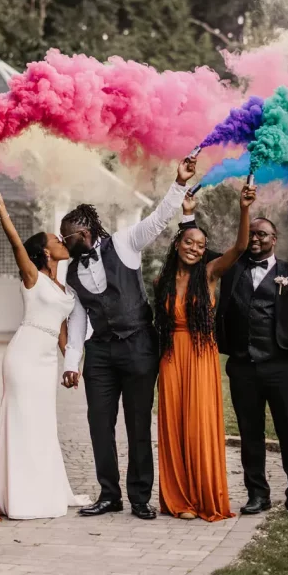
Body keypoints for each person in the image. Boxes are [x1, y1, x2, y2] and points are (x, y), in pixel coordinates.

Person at [61, 157, 196, 520]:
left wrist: (179, 183)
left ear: (85, 231)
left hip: (138, 346)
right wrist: (71, 363)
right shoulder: (71, 271)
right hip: (100, 353)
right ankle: (109, 495)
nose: (63, 242)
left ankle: (139, 497)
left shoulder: (125, 243)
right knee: (99, 424)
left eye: (67, 237)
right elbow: (77, 318)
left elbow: (158, 220)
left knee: (139, 424)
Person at [0, 188, 89, 519]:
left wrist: (70, 364)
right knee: (23, 422)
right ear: (45, 251)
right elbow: (17, 244)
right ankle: (20, 496)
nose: (62, 241)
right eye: (56, 239)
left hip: (46, 362)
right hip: (24, 356)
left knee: (43, 425)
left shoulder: (64, 287)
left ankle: (47, 488)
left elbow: (62, 329)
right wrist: (2, 209)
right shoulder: (33, 277)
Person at [153, 183, 256, 521]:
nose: (195, 249)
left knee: (198, 424)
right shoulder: (160, 282)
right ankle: (179, 498)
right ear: (178, 244)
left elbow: (241, 247)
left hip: (200, 355)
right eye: (189, 242)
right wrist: (186, 213)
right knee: (174, 425)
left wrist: (244, 208)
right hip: (171, 357)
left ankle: (202, 494)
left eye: (201, 245)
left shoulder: (210, 275)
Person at [218, 215, 288, 522]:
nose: (256, 238)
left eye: (262, 234)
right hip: (243, 368)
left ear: (274, 239)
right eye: (251, 234)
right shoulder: (231, 270)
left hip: (283, 368)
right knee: (250, 434)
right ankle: (257, 495)